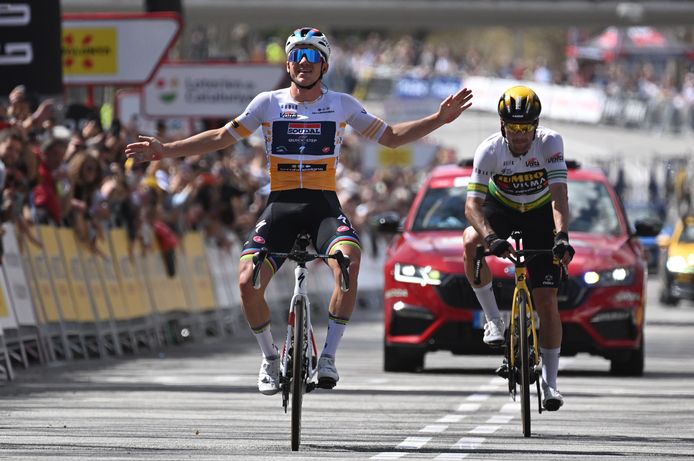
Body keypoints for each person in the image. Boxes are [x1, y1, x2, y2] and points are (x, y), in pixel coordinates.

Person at [125, 26, 473, 395]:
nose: (303, 63)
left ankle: (328, 359)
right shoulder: (267, 103)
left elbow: (390, 137)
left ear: (324, 65)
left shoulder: (342, 103)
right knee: (246, 281)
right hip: (281, 205)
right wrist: (166, 150)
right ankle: (270, 359)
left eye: (312, 57)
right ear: (288, 65)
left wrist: (439, 119)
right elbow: (219, 138)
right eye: (296, 56)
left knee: (349, 262)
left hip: (323, 206)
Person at [462, 86, 574, 411]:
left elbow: (558, 195)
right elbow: (472, 205)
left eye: (526, 128)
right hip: (502, 207)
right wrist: (490, 238)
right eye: (514, 127)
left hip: (540, 212)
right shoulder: (489, 150)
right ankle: (494, 320)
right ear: (502, 125)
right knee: (470, 239)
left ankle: (550, 384)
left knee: (547, 302)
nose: (521, 135)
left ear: (536, 127)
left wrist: (562, 236)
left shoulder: (550, 143)